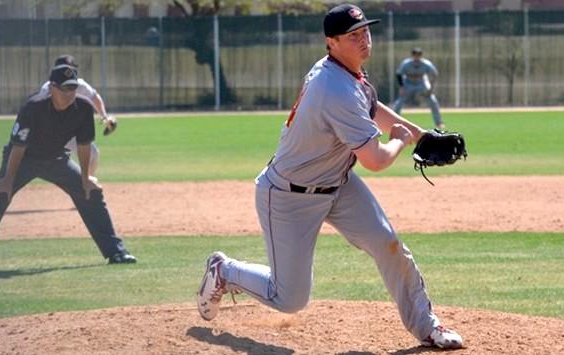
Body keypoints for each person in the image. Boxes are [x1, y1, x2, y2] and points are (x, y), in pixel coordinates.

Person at [196, 3, 462, 350]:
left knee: (389, 244)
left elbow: (373, 109)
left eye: (365, 30)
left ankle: (427, 326)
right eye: (353, 35)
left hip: (337, 183)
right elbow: (375, 160)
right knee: (289, 298)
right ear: (331, 42)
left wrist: (421, 135)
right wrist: (400, 140)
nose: (364, 39)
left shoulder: (344, 73)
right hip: (290, 197)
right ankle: (225, 271)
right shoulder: (333, 88)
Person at [0, 65, 136, 273]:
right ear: (52, 88)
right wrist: (7, 181)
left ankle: (116, 252)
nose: (70, 93)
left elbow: (84, 146)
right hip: (23, 159)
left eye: (73, 88)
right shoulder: (33, 107)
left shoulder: (82, 108)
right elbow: (18, 146)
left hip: (57, 159)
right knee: (0, 195)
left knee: (90, 191)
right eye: (65, 88)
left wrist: (85, 178)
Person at [37, 55, 117, 178]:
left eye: (72, 68)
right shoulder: (48, 88)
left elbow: (94, 97)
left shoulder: (79, 84)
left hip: (71, 132)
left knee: (93, 154)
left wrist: (104, 116)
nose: (71, 72)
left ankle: (86, 182)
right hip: (51, 134)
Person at [393, 47, 444, 129]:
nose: (417, 57)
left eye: (418, 55)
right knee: (399, 102)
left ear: (421, 56)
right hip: (408, 83)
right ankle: (393, 121)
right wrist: (402, 87)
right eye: (415, 55)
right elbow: (399, 74)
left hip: (421, 83)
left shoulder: (426, 64)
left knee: (433, 101)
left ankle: (439, 123)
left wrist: (431, 88)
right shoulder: (406, 63)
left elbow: (434, 74)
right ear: (412, 56)